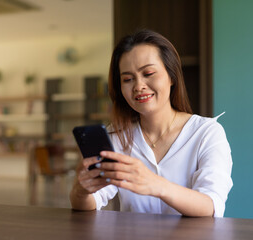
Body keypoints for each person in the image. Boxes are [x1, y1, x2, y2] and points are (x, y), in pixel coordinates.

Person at [69, 29, 233, 217]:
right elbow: (92, 202)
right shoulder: (116, 137)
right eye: (128, 79)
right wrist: (80, 191)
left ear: (172, 76)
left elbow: (211, 206)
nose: (139, 86)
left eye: (148, 73)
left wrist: (156, 184)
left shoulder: (207, 133)